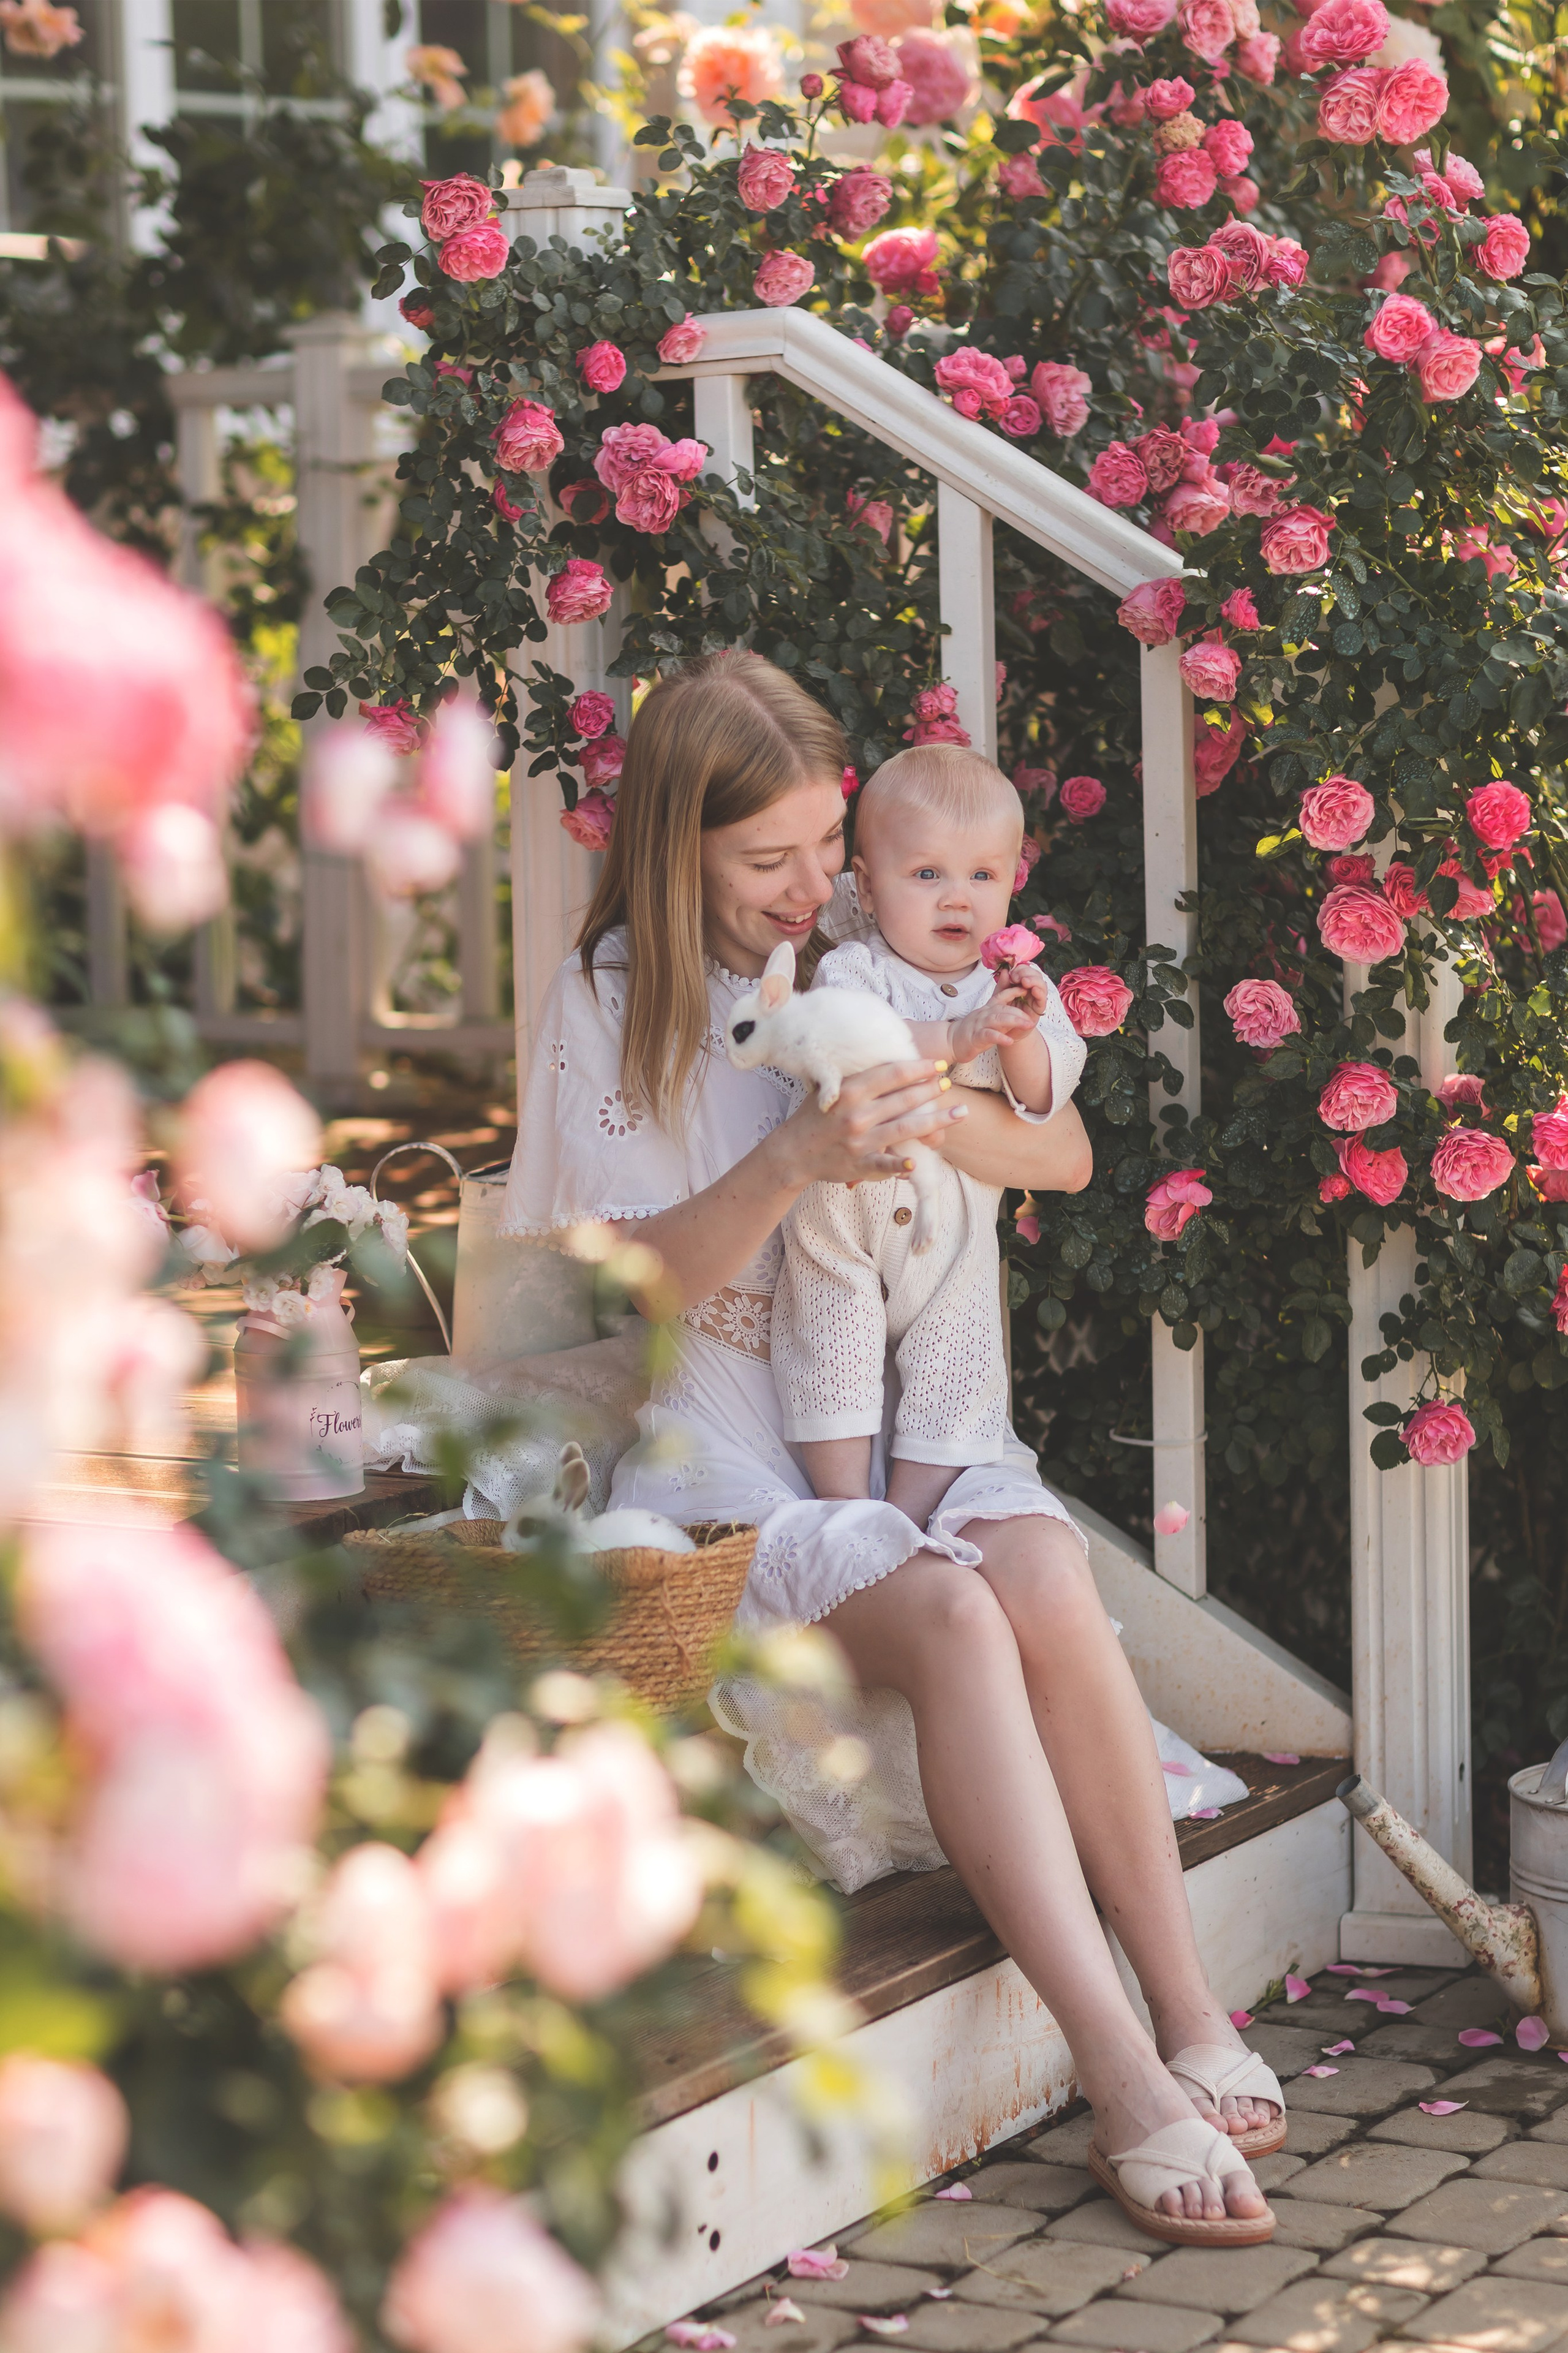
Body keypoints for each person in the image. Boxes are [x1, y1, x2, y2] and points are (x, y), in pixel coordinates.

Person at [500, 650, 1282, 2243]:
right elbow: (638, 1294)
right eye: (766, 858)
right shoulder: (606, 1004)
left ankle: (1192, 2010)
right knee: (952, 1612)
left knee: (1043, 1571)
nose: (809, 886)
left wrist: (930, 1094)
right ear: (675, 845)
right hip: (729, 1441)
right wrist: (795, 1156)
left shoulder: (867, 944)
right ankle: (1121, 2076)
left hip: (907, 1407)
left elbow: (1058, 1150)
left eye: (821, 843)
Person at [769, 742, 1084, 1531]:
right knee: (828, 1346)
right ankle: (844, 1510)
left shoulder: (1018, 991)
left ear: (1012, 883)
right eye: (926, 873)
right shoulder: (856, 970)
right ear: (868, 886)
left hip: (954, 1237)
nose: (957, 899)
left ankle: (905, 1523)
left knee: (959, 1362)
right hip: (842, 1217)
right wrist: (954, 1037)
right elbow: (846, 1045)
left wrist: (1017, 1033)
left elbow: (1043, 1097)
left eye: (982, 875)